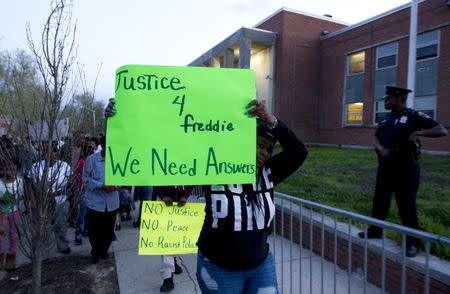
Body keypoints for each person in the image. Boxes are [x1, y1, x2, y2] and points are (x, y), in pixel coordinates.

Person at [104, 97, 308, 293]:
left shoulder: (268, 172)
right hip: (219, 270)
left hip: (261, 266)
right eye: (260, 145)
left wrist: (271, 121)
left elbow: (299, 152)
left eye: (270, 149)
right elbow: (158, 148)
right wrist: (120, 121)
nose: (265, 153)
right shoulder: (214, 166)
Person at [358, 86, 447, 257]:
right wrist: (381, 148)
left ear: (399, 99)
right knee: (380, 201)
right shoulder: (385, 119)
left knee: (406, 205)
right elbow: (375, 137)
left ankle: (413, 242)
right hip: (385, 166)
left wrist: (417, 133)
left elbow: (441, 130)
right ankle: (375, 230)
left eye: (388, 99)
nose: (385, 101)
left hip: (406, 167)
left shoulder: (413, 115)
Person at [28, 145, 73, 255]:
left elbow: (72, 181)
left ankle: (63, 245)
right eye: (47, 152)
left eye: (53, 152)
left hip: (60, 199)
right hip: (43, 200)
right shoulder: (36, 167)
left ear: (56, 153)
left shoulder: (64, 165)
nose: (51, 155)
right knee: (44, 227)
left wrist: (74, 196)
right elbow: (29, 185)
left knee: (61, 224)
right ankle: (44, 251)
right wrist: (33, 201)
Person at [83, 136, 119, 264]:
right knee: (94, 229)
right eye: (106, 145)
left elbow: (124, 179)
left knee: (108, 229)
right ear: (102, 146)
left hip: (112, 202)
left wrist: (116, 186)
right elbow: (85, 179)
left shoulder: (118, 159)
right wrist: (100, 185)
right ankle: (95, 251)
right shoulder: (91, 160)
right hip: (95, 203)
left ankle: (104, 250)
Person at [153, 185, 194, 292]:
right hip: (165, 205)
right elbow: (155, 179)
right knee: (166, 242)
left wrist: (185, 196)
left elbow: (191, 179)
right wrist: (162, 196)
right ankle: (168, 278)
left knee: (176, 239)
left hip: (182, 206)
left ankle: (173, 262)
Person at [0, 160, 24, 271]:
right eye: (8, 169)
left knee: (14, 235)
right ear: (3, 169)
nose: (10, 171)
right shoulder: (0, 183)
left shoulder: (19, 181)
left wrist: (15, 200)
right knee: (1, 234)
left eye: (13, 169)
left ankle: (11, 256)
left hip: (14, 211)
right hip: (1, 212)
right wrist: (2, 199)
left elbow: (22, 195)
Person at [74, 145, 94, 245]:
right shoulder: (83, 162)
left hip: (85, 189)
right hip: (84, 189)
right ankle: (78, 233)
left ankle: (85, 230)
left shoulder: (82, 161)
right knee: (82, 213)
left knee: (86, 212)